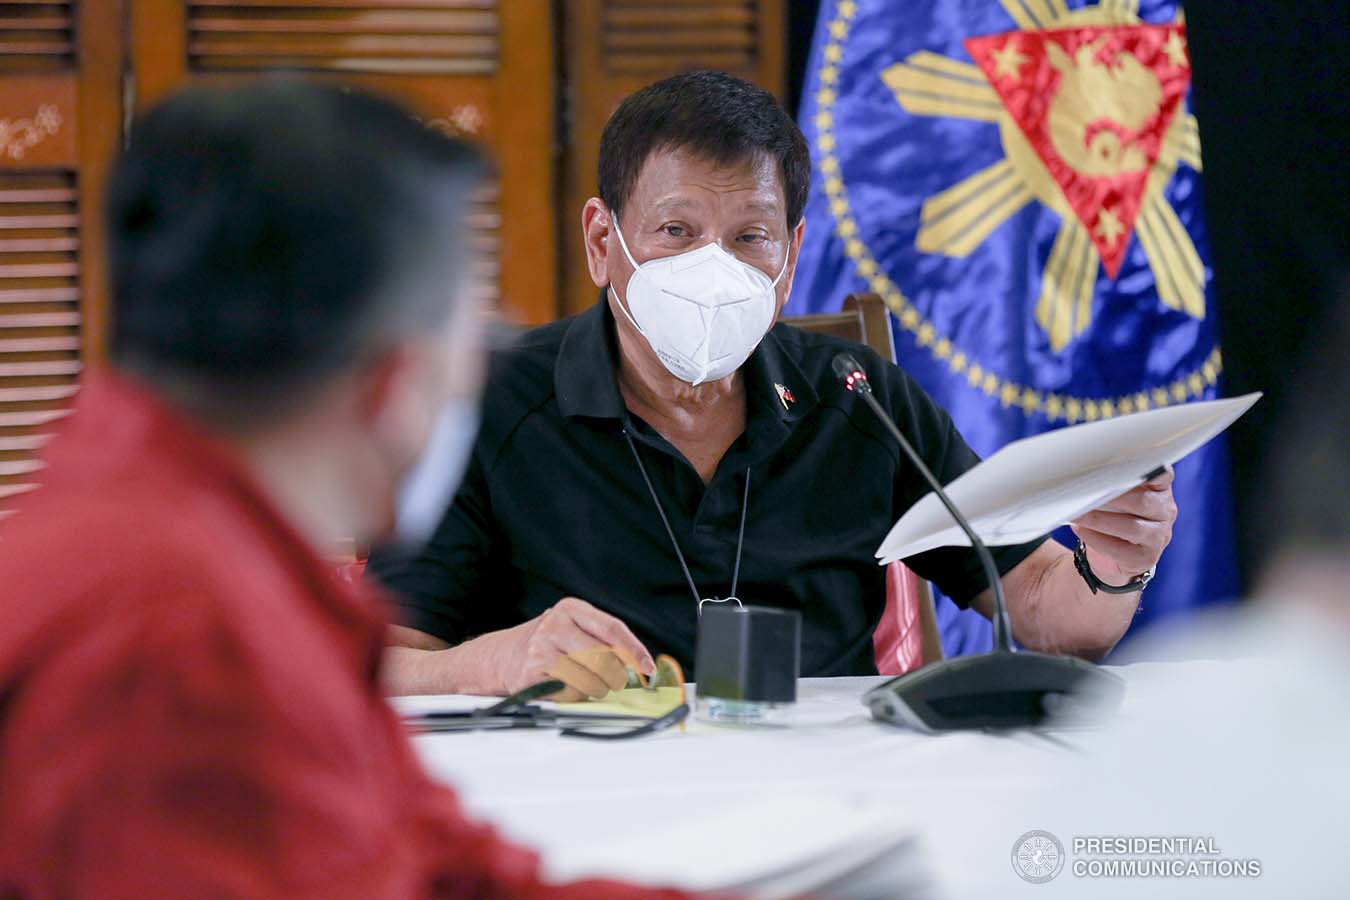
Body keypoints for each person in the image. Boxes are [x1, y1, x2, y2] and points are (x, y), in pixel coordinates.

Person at [0, 81, 689, 899]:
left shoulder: (187, 539)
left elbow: (442, 866)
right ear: (395, 386)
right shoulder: (175, 638)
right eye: (473, 333)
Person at [371, 71, 1179, 699]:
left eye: (749, 236)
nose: (713, 268)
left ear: (790, 256)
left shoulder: (861, 395)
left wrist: (1113, 566)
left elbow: (1045, 611)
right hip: (584, 785)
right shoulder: (489, 400)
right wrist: (495, 660)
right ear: (600, 241)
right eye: (676, 232)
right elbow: (374, 667)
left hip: (829, 787)